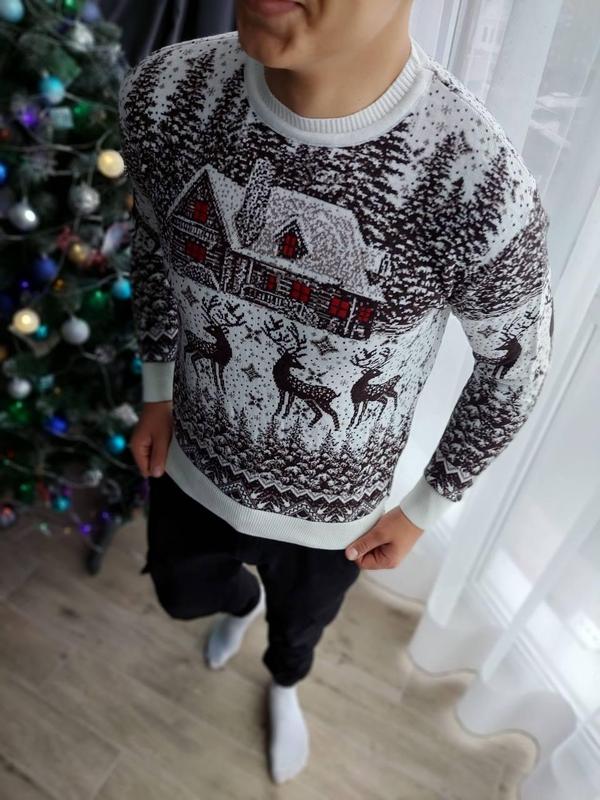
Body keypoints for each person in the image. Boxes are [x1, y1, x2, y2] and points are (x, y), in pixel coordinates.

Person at [118, 0, 554, 784]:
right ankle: (238, 604)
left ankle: (284, 683)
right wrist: (157, 386)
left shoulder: (479, 189)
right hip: (190, 460)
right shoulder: (167, 96)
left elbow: (515, 368)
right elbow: (154, 241)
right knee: (181, 595)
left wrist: (425, 506)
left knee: (301, 631)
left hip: (334, 521)